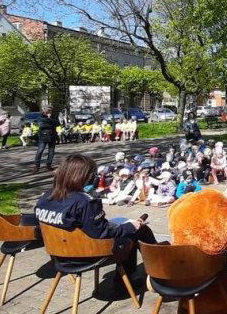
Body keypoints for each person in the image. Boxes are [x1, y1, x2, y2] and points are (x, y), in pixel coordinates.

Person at [33, 154, 156, 293]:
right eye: (92, 174)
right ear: (83, 176)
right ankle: (160, 272)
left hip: (59, 254)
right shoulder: (85, 202)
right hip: (86, 254)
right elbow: (101, 234)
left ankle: (134, 276)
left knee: (127, 229)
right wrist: (130, 226)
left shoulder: (44, 198)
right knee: (138, 230)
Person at [33, 107, 59, 173]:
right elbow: (41, 125)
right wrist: (51, 123)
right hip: (43, 135)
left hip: (52, 135)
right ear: (44, 110)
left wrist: (49, 119)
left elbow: (58, 123)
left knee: (51, 151)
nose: (49, 111)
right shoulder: (40, 117)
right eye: (48, 110)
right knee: (40, 150)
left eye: (50, 110)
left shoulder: (54, 116)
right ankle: (37, 165)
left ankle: (48, 165)